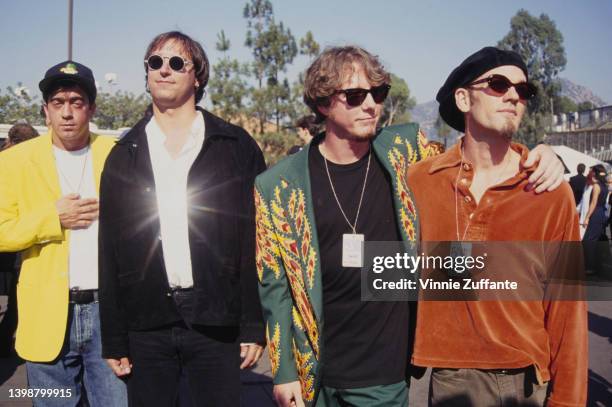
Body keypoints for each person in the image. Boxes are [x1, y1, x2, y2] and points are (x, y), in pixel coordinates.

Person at [254, 45, 565, 407]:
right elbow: (273, 284)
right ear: (323, 104)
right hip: (314, 371)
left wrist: (538, 154)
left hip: (383, 373)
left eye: (378, 93)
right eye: (355, 96)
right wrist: (284, 370)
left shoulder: (404, 148)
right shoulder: (277, 184)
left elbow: (476, 156)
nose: (370, 104)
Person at [408, 46, 587, 406]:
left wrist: (569, 400)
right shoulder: (420, 181)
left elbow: (568, 309)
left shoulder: (550, 192)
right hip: (450, 381)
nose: (513, 96)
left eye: (524, 90)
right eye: (499, 84)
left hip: (524, 383)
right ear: (463, 98)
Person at [98, 31, 265, 406]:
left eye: (176, 63)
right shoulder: (124, 153)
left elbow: (255, 242)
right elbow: (108, 249)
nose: (163, 70)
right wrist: (114, 336)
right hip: (147, 325)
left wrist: (253, 324)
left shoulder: (235, 146)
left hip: (216, 322)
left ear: (198, 75)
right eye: (154, 62)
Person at [0, 61, 127, 406]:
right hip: (46, 317)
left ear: (92, 108)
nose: (67, 113)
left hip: (108, 314)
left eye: (76, 102)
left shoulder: (116, 155)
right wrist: (52, 219)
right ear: (45, 110)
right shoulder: (14, 162)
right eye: (58, 103)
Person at [0, 122, 40, 357]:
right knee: (17, 299)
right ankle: (6, 340)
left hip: (12, 238)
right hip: (17, 241)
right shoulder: (29, 164)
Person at [582, 164, 608, 274]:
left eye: (592, 171)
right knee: (595, 241)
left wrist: (587, 217)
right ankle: (598, 266)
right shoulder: (604, 186)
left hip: (596, 213)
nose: (590, 173)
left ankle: (590, 267)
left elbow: (593, 203)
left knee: (588, 241)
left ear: (595, 173)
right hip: (602, 213)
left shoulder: (597, 186)